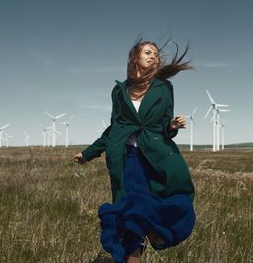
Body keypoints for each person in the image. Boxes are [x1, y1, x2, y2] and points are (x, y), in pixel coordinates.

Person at [73, 38, 195, 263]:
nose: (154, 56)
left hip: (156, 160)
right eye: (148, 52)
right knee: (128, 219)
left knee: (159, 207)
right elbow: (115, 128)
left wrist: (172, 126)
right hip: (127, 162)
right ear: (135, 58)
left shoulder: (164, 88)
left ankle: (154, 234)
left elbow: (164, 126)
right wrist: (88, 153)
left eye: (156, 54)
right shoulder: (119, 91)